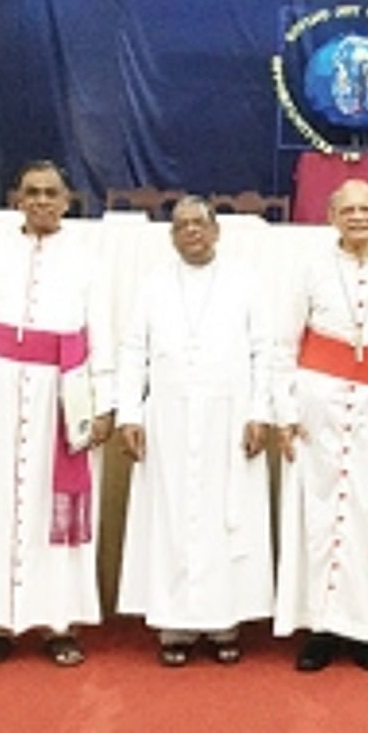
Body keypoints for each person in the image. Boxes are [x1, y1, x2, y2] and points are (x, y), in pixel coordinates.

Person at [0, 160, 115, 668]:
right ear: (17, 198)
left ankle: (58, 622)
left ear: (67, 201)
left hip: (63, 396)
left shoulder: (89, 261)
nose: (41, 201)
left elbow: (101, 336)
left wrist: (104, 403)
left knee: (56, 510)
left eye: (51, 193)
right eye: (31, 192)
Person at [115, 197, 273, 666]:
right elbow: (131, 351)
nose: (191, 233)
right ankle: (174, 625)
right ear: (171, 236)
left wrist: (259, 411)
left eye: (198, 224)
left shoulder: (246, 282)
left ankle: (225, 622)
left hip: (230, 417)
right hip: (167, 418)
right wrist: (130, 414)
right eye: (181, 226)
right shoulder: (153, 284)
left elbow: (264, 351)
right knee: (172, 517)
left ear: (216, 231)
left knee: (228, 517)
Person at [274, 178, 368, 672]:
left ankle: (364, 630)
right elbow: (283, 347)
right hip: (317, 409)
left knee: (363, 517)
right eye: (348, 209)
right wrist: (286, 413)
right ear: (332, 216)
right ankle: (319, 628)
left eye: (367, 208)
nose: (358, 217)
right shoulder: (309, 269)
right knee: (317, 515)